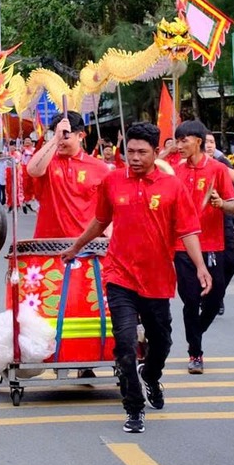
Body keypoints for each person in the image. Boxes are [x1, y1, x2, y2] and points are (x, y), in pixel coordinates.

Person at [63, 121, 211, 433]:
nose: (134, 157)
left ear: (157, 152)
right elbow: (101, 220)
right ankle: (133, 407)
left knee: (162, 342)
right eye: (130, 151)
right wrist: (76, 246)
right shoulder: (113, 181)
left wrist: (200, 266)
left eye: (142, 152)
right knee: (126, 344)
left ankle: (152, 377)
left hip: (157, 279)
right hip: (120, 276)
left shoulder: (172, 186)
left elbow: (188, 230)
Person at [174, 121, 234, 374]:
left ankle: (195, 331)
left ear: (198, 142)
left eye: (184, 141)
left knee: (214, 301)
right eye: (177, 141)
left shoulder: (218, 170)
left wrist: (221, 203)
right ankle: (195, 352)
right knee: (190, 300)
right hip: (181, 247)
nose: (179, 146)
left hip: (213, 244)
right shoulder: (176, 171)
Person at [23, 112, 110, 240]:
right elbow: (32, 170)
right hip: (48, 244)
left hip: (85, 246)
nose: (60, 142)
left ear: (80, 135)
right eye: (56, 135)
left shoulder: (100, 168)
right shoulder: (47, 162)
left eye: (65, 137)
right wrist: (56, 138)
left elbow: (109, 207)